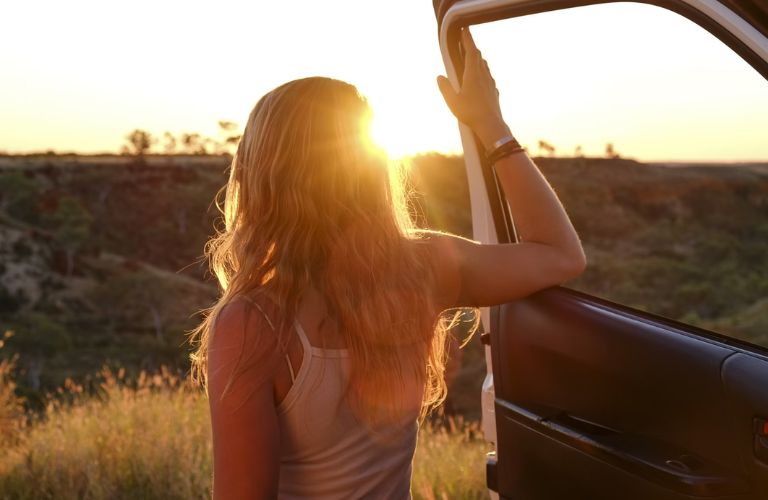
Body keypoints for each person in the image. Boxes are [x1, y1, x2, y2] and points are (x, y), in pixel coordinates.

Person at [189, 28, 585, 499]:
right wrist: (491, 126)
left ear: (257, 176)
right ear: (371, 166)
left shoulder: (252, 323)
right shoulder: (424, 267)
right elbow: (559, 254)